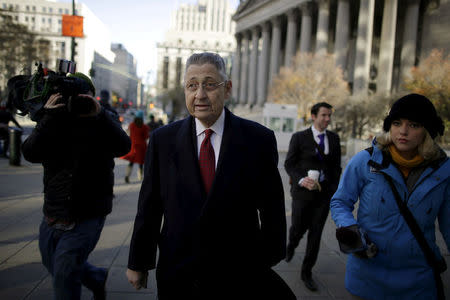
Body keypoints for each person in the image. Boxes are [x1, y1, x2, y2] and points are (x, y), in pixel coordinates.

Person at [126, 52, 295, 300]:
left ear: (227, 89)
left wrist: (263, 260)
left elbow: (272, 209)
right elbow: (150, 205)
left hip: (237, 275)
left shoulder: (258, 139)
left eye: (209, 84)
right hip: (178, 272)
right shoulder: (163, 140)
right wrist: (138, 261)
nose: (200, 94)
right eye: (192, 85)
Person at [21, 72, 131, 300]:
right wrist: (49, 116)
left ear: (91, 96)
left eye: (84, 95)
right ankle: (95, 277)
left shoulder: (103, 117)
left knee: (63, 273)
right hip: (53, 211)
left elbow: (123, 146)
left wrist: (99, 116)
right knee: (52, 263)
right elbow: (30, 153)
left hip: (88, 213)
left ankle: (90, 279)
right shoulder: (53, 119)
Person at [330, 94, 449, 300]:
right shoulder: (365, 160)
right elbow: (340, 201)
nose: (403, 131)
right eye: (396, 123)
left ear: (427, 131)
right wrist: (353, 234)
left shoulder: (444, 171)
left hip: (419, 281)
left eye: (413, 124)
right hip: (367, 275)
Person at [284, 102, 342, 291]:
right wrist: (301, 180)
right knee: (297, 228)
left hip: (323, 196)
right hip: (302, 194)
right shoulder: (299, 137)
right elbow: (289, 164)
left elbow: (336, 168)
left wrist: (333, 190)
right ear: (314, 116)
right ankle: (291, 245)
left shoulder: (334, 139)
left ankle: (306, 272)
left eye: (329, 116)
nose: (327, 119)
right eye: (324, 115)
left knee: (316, 235)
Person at [121, 110, 149, 183]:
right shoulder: (144, 127)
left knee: (131, 162)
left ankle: (127, 175)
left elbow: (128, 134)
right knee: (141, 162)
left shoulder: (131, 125)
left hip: (133, 146)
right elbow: (146, 137)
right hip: (141, 147)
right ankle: (140, 177)